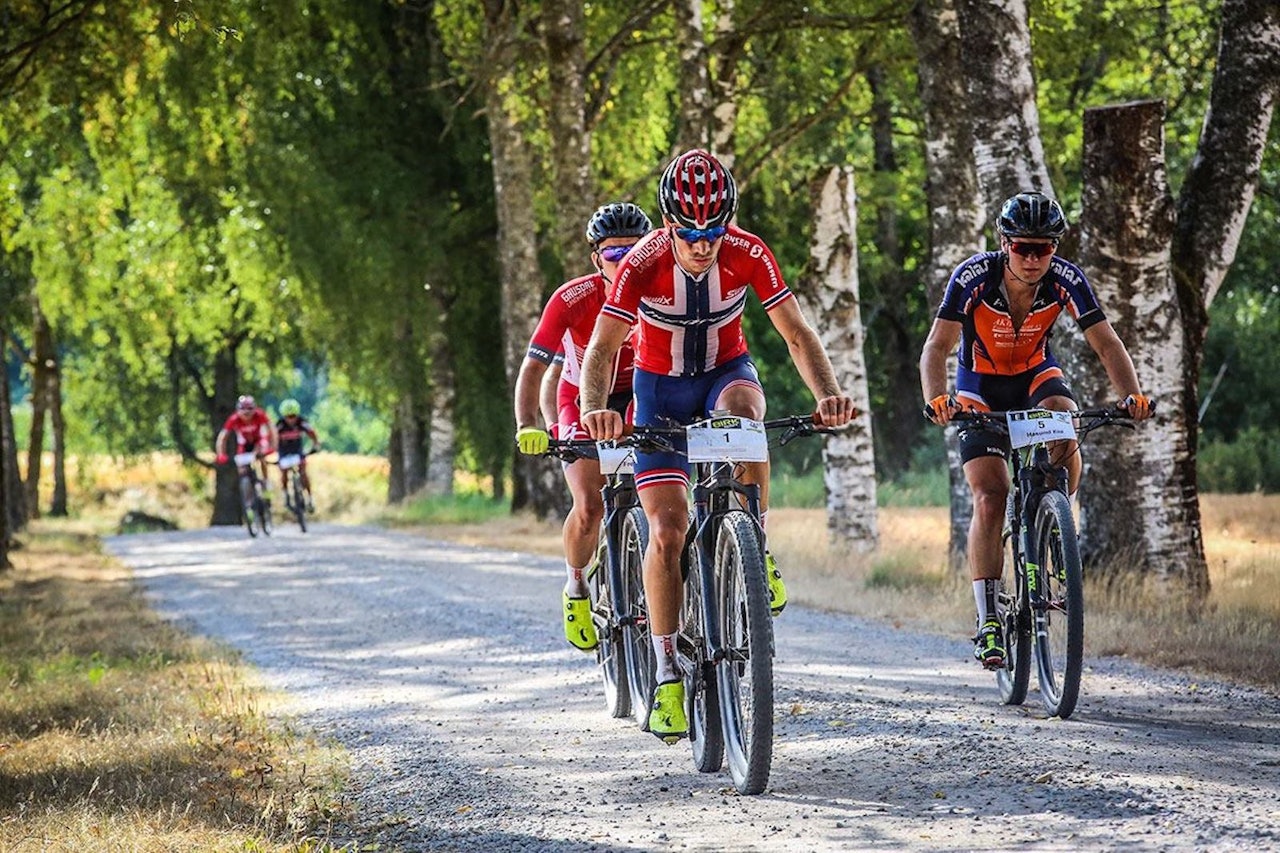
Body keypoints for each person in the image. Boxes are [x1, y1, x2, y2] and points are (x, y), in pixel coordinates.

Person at [579, 149, 855, 743]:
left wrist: (830, 394)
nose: (702, 246)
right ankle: (668, 674)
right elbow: (601, 350)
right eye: (689, 234)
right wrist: (596, 410)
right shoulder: (642, 264)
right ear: (669, 225)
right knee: (669, 532)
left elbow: (796, 334)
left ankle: (754, 535)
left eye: (713, 231)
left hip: (724, 372)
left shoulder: (748, 251)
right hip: (658, 391)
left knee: (745, 415)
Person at [918, 190, 1153, 670]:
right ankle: (988, 621)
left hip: (1035, 376)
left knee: (1065, 421)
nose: (1032, 258)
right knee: (990, 494)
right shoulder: (973, 276)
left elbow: (1106, 343)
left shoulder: (1066, 279)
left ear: (1055, 249)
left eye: (1043, 248)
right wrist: (936, 400)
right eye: (1022, 247)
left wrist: (1133, 395)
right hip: (978, 386)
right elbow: (936, 347)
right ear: (1004, 243)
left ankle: (1053, 523)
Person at [512, 201, 654, 653]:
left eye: (636, 252)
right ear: (597, 259)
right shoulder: (572, 298)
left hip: (641, 394)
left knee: (664, 497)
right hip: (580, 398)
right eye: (615, 254)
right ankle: (576, 587)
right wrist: (527, 425)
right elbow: (533, 369)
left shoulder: (665, 292)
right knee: (590, 504)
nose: (626, 262)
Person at [215, 394, 278, 496]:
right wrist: (221, 454)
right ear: (238, 410)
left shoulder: (260, 415)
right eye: (243, 409)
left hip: (259, 441)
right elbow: (222, 437)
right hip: (244, 444)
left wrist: (274, 446)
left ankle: (266, 481)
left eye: (250, 409)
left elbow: (272, 429)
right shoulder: (234, 419)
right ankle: (248, 499)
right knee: (241, 469)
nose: (246, 413)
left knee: (261, 456)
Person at [275, 398, 322, 512]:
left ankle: (310, 498)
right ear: (283, 416)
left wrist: (316, 445)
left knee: (303, 472)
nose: (291, 419)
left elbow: (312, 433)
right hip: (284, 451)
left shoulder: (302, 422)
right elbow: (272, 438)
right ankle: (285, 494)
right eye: (288, 416)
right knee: (284, 472)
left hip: (297, 450)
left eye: (293, 416)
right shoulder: (279, 425)